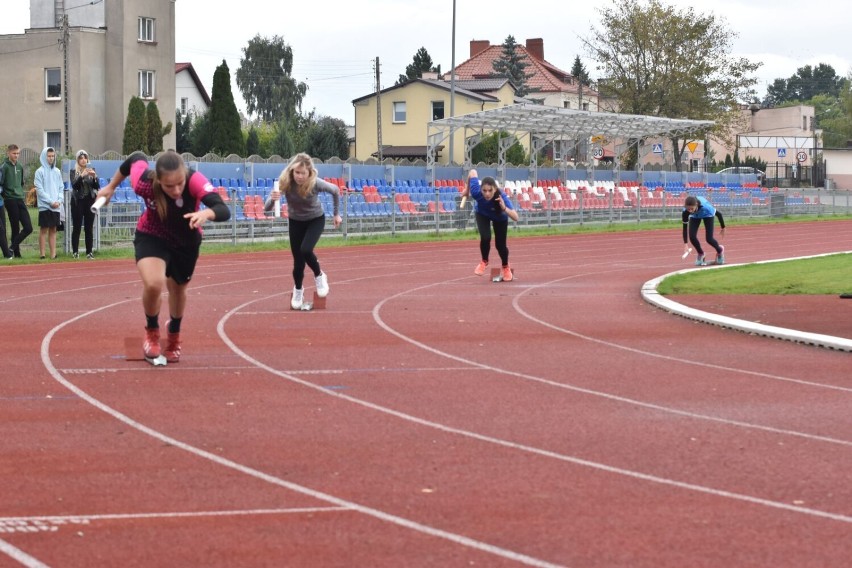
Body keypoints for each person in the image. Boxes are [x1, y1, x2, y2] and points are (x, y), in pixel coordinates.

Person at [96, 151, 231, 363]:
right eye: (169, 186)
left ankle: (174, 335)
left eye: (180, 183)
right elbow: (135, 157)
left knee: (178, 288)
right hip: (152, 234)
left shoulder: (194, 180)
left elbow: (223, 209)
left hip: (186, 241)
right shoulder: (143, 183)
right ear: (158, 180)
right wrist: (111, 186)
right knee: (154, 284)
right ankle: (152, 332)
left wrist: (206, 213)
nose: (176, 190)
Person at [264, 153, 341, 309]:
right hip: (295, 221)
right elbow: (266, 210)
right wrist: (273, 199)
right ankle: (298, 290)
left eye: (303, 173)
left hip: (315, 220)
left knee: (306, 250)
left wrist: (336, 214)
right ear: (292, 171)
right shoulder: (285, 182)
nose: (299, 176)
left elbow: (335, 190)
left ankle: (319, 275)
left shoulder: (315, 183)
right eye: (296, 172)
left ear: (309, 173)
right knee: (298, 263)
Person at [461, 169, 519, 281]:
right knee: (485, 236)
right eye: (484, 190)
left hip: (499, 217)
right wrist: (467, 190)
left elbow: (516, 217)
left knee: (500, 245)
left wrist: (504, 208)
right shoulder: (476, 192)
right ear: (480, 189)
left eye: (490, 191)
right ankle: (484, 261)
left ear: (495, 189)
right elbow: (472, 172)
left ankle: (505, 267)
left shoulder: (502, 197)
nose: (487, 194)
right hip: (482, 214)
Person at [1, 144, 33, 258]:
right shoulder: (4, 167)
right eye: (14, 153)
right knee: (15, 226)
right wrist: (6, 195)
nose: (16, 155)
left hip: (19, 198)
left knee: (28, 227)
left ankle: (12, 247)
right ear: (8, 153)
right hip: (10, 199)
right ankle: (17, 253)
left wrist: (19, 192)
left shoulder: (19, 166)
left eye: (18, 153)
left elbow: (21, 183)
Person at [68, 149, 100, 259]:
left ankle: (89, 252)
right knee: (77, 227)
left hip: (89, 201)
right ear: (77, 160)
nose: (83, 160)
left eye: (85, 158)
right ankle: (75, 252)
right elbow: (74, 186)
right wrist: (82, 175)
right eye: (81, 158)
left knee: (89, 227)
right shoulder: (74, 171)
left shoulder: (91, 170)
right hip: (78, 201)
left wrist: (95, 177)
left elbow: (96, 187)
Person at [34, 147, 64, 259]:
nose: (51, 158)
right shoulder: (39, 172)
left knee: (53, 229)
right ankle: (42, 254)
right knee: (44, 229)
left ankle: (53, 254)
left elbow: (61, 187)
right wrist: (50, 201)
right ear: (44, 157)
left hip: (56, 205)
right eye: (49, 156)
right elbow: (40, 190)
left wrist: (59, 200)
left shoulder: (57, 171)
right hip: (45, 205)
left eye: (52, 156)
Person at [682, 194, 725, 266]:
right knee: (692, 236)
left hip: (707, 215)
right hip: (695, 216)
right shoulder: (686, 211)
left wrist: (723, 227)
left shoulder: (706, 207)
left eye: (692, 209)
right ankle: (701, 253)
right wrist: (685, 244)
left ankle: (720, 250)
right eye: (688, 209)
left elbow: (719, 214)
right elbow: (684, 228)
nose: (690, 211)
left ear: (696, 205)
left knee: (709, 239)